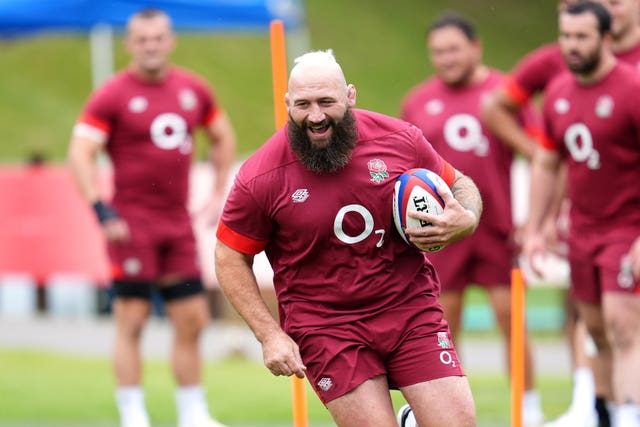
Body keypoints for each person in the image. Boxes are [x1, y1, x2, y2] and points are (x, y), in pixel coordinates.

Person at [214, 49, 482, 427]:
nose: (316, 116)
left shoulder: (400, 139)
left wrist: (466, 218)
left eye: (327, 102)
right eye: (303, 104)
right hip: (326, 326)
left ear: (350, 96)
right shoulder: (261, 175)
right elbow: (229, 255)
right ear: (288, 103)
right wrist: (269, 334)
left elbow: (460, 183)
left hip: (408, 307)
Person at [67, 8, 235, 427]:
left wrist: (217, 192)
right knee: (133, 318)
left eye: (158, 37)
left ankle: (193, 412)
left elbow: (222, 136)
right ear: (130, 44)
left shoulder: (193, 89)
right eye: (142, 39)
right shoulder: (113, 94)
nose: (151, 45)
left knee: (192, 319)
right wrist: (100, 209)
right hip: (131, 224)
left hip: (176, 224)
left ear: (171, 40)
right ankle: (133, 413)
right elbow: (80, 153)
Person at [483, 1, 640, 425]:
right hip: (583, 229)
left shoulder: (632, 89)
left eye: (582, 37)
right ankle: (601, 411)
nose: (571, 45)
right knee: (596, 332)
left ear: (606, 39)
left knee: (625, 327)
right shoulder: (558, 92)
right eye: (566, 36)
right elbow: (549, 162)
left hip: (627, 228)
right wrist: (535, 227)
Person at [398, 13, 544, 427]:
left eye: (454, 49)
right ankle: (440, 411)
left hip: (496, 227)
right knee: (442, 323)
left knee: (510, 318)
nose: (446, 58)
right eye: (438, 52)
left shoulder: (506, 94)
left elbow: (540, 157)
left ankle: (527, 411)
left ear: (475, 47)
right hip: (440, 233)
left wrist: (534, 218)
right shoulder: (418, 100)